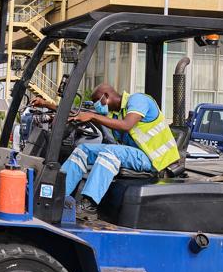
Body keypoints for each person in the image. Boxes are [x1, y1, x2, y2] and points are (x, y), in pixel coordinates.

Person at [44, 84, 180, 219]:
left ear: (106, 97)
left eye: (97, 102)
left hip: (154, 160)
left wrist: (92, 117)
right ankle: (58, 196)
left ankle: (88, 206)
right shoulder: (115, 114)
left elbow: (127, 125)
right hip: (137, 154)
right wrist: (45, 104)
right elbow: (79, 112)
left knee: (110, 152)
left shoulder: (138, 101)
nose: (96, 105)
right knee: (83, 150)